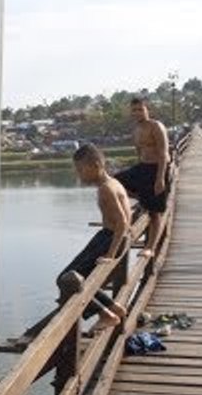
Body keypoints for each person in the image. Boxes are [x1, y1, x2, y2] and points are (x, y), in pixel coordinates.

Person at [57, 143, 130, 333]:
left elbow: (122, 222)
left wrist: (111, 255)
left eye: (81, 169)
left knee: (65, 280)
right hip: (107, 237)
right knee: (75, 278)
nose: (78, 174)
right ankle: (113, 308)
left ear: (96, 165)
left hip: (109, 239)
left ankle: (107, 314)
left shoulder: (106, 188)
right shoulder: (113, 183)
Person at [113, 97, 170, 258]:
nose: (137, 113)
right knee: (114, 182)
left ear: (147, 109)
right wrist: (136, 170)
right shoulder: (137, 129)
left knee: (155, 212)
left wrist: (160, 179)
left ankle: (150, 248)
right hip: (143, 167)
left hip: (156, 168)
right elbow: (139, 152)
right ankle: (143, 199)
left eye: (140, 109)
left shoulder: (156, 126)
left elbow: (163, 153)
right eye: (134, 110)